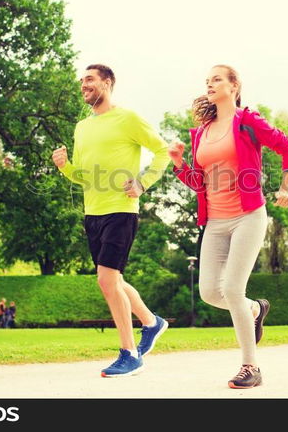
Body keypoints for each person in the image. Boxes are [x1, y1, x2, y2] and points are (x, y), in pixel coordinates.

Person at [168, 64, 288, 389]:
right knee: (210, 291)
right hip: (215, 221)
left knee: (232, 289)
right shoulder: (202, 132)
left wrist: (286, 186)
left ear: (234, 85)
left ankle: (250, 367)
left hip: (247, 216)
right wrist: (179, 164)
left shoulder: (247, 121)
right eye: (207, 81)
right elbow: (199, 182)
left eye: (217, 79)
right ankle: (255, 309)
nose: (209, 84)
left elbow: (287, 146)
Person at [53, 64, 171, 377]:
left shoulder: (128, 118)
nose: (83, 85)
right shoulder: (82, 127)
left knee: (106, 280)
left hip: (121, 209)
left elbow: (162, 152)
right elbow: (84, 176)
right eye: (82, 81)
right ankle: (152, 322)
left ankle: (129, 353)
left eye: (89, 79)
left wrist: (143, 182)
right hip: (93, 213)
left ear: (107, 83)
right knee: (114, 280)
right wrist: (65, 167)